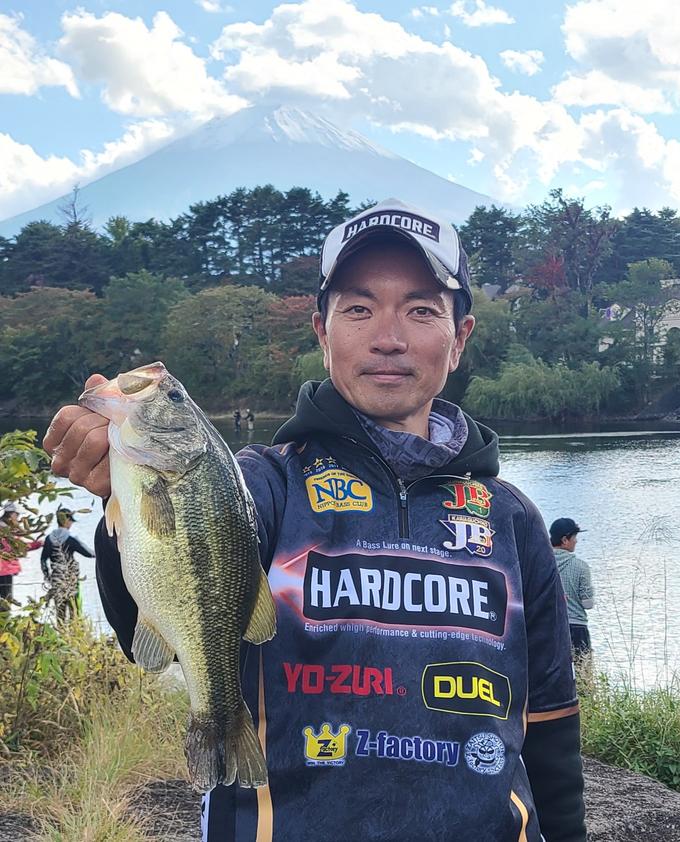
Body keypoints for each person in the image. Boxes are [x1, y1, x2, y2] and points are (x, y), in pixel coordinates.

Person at [43, 198, 586, 842]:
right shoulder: (260, 484)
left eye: (421, 310)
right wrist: (124, 497)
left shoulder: (512, 518)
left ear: (459, 338)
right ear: (322, 333)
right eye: (358, 309)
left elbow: (551, 723)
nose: (388, 337)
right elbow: (148, 611)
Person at [41, 505, 94, 622]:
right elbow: (88, 553)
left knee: (60, 611)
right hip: (71, 577)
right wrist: (101, 552)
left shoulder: (49, 539)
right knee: (74, 610)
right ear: (67, 521)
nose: (71, 524)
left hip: (57, 578)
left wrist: (47, 576)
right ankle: (75, 630)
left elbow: (43, 559)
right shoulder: (70, 539)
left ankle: (61, 631)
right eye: (71, 521)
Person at [550, 518, 594, 657]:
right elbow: (588, 604)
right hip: (577, 628)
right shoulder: (581, 567)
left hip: (549, 627)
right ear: (565, 540)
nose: (576, 541)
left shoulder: (541, 564)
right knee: (583, 669)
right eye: (574, 537)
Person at [0, 502, 42, 603]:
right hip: (4, 569)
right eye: (17, 515)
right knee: (6, 601)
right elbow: (17, 547)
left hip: (4, 568)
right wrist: (38, 544)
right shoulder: (5, 530)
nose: (18, 518)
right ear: (11, 514)